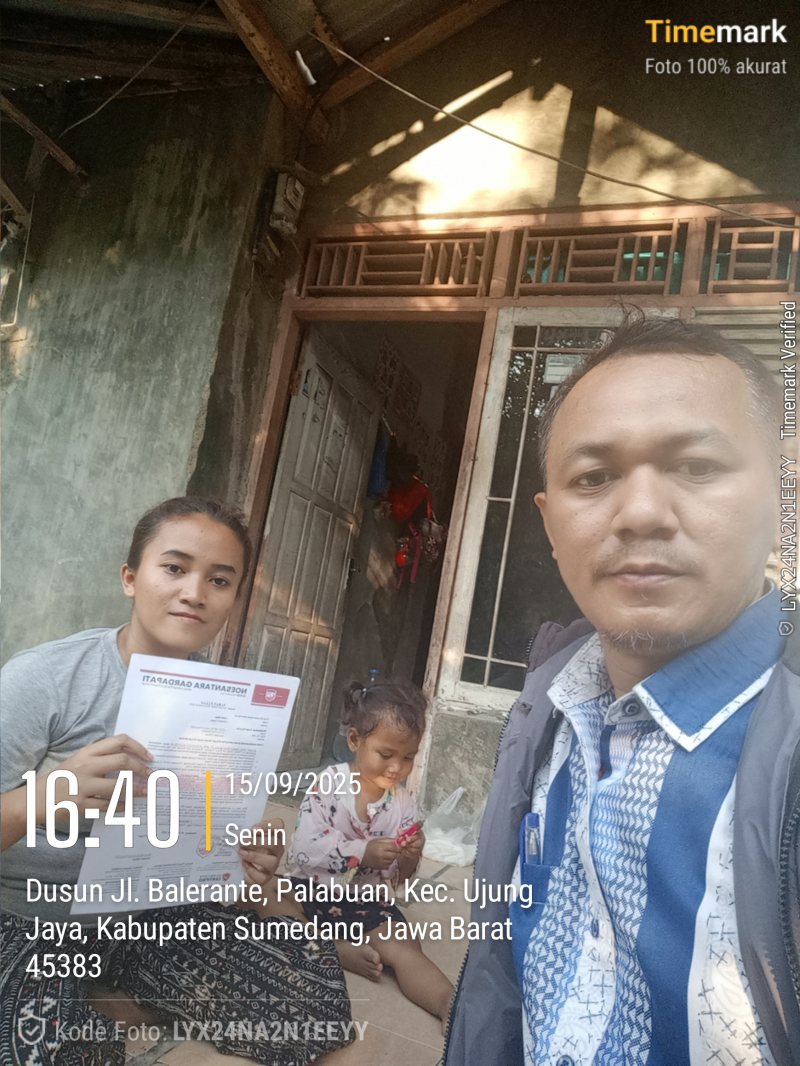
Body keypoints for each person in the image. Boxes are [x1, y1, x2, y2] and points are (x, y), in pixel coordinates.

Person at [444, 312, 800, 1066]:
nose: (640, 513)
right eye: (593, 478)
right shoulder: (549, 704)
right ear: (549, 524)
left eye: (696, 466)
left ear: (784, 496)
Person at [0, 496, 351, 1066]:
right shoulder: (45, 679)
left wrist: (245, 859)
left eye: (219, 580)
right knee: (47, 1051)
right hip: (31, 920)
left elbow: (206, 845)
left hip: (152, 918)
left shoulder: (225, 702)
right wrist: (44, 797)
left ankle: (110, 993)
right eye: (174, 568)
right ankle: (91, 1004)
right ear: (130, 578)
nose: (195, 592)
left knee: (313, 997)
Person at [287, 680, 454, 1029]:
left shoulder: (402, 803)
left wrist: (409, 856)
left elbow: (399, 878)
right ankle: (338, 948)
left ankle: (449, 1004)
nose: (396, 768)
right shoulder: (329, 785)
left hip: (365, 904)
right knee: (263, 897)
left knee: (404, 946)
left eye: (408, 758)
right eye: (386, 754)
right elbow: (303, 848)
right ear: (354, 740)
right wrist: (361, 851)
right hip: (310, 893)